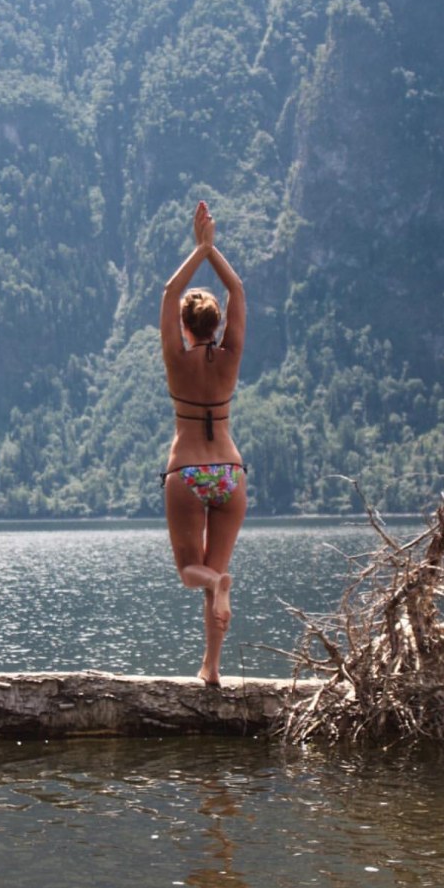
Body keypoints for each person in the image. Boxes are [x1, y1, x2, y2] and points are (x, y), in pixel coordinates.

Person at [159, 199, 247, 687]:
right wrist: (214, 253)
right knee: (215, 571)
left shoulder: (177, 359)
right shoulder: (230, 357)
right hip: (230, 476)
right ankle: (211, 669)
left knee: (193, 573)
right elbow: (236, 288)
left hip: (188, 474)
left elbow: (171, 289)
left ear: (186, 328)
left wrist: (198, 249)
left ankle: (217, 584)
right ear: (216, 325)